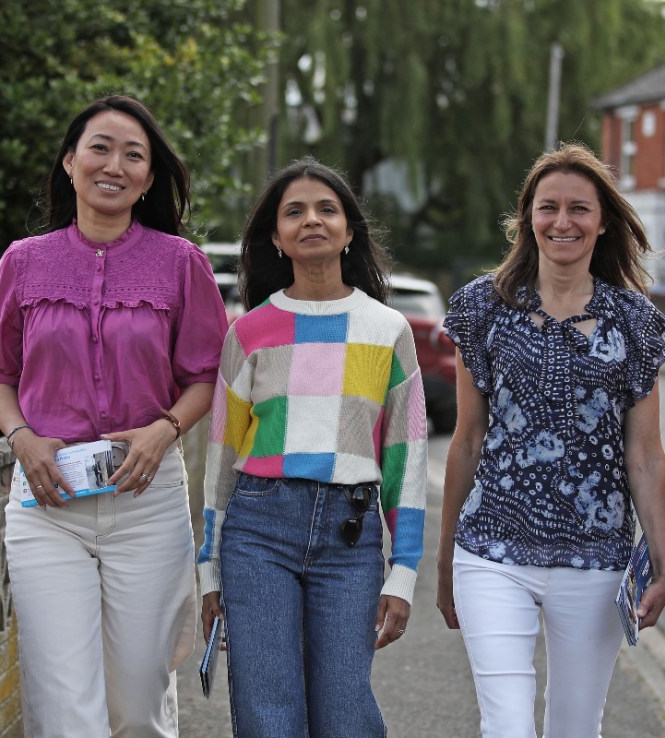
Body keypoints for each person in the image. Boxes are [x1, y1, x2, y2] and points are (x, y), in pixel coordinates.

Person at [0, 94, 229, 736]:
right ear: (70, 162)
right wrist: (21, 438)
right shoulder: (22, 262)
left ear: (148, 177)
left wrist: (164, 429)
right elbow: (0, 376)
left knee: (138, 705)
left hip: (146, 502)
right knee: (65, 706)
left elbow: (204, 378)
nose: (113, 164)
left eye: (133, 154)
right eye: (99, 147)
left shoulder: (181, 264)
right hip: (47, 505)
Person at [437, 141, 665, 738]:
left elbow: (644, 453)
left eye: (579, 209)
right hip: (492, 550)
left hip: (595, 556)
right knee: (508, 726)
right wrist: (446, 560)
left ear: (602, 222)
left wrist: (664, 561)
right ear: (527, 218)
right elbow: (466, 441)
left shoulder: (636, 321)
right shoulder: (480, 308)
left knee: (576, 726)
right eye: (548, 207)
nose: (562, 222)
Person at [197, 157, 427, 737]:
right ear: (276, 236)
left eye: (328, 209)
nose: (312, 221)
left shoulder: (388, 330)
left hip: (350, 540)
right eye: (294, 212)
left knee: (346, 716)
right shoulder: (247, 332)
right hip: (257, 533)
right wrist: (209, 571)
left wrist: (402, 573)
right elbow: (221, 459)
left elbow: (408, 457)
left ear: (350, 230)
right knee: (269, 716)